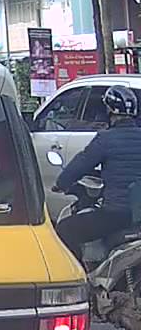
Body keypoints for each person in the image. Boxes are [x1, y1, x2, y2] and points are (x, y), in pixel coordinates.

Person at [53, 85, 141, 260]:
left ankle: (78, 273)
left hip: (118, 214)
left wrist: (61, 184)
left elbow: (80, 164)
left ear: (109, 111)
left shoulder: (105, 139)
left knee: (65, 229)